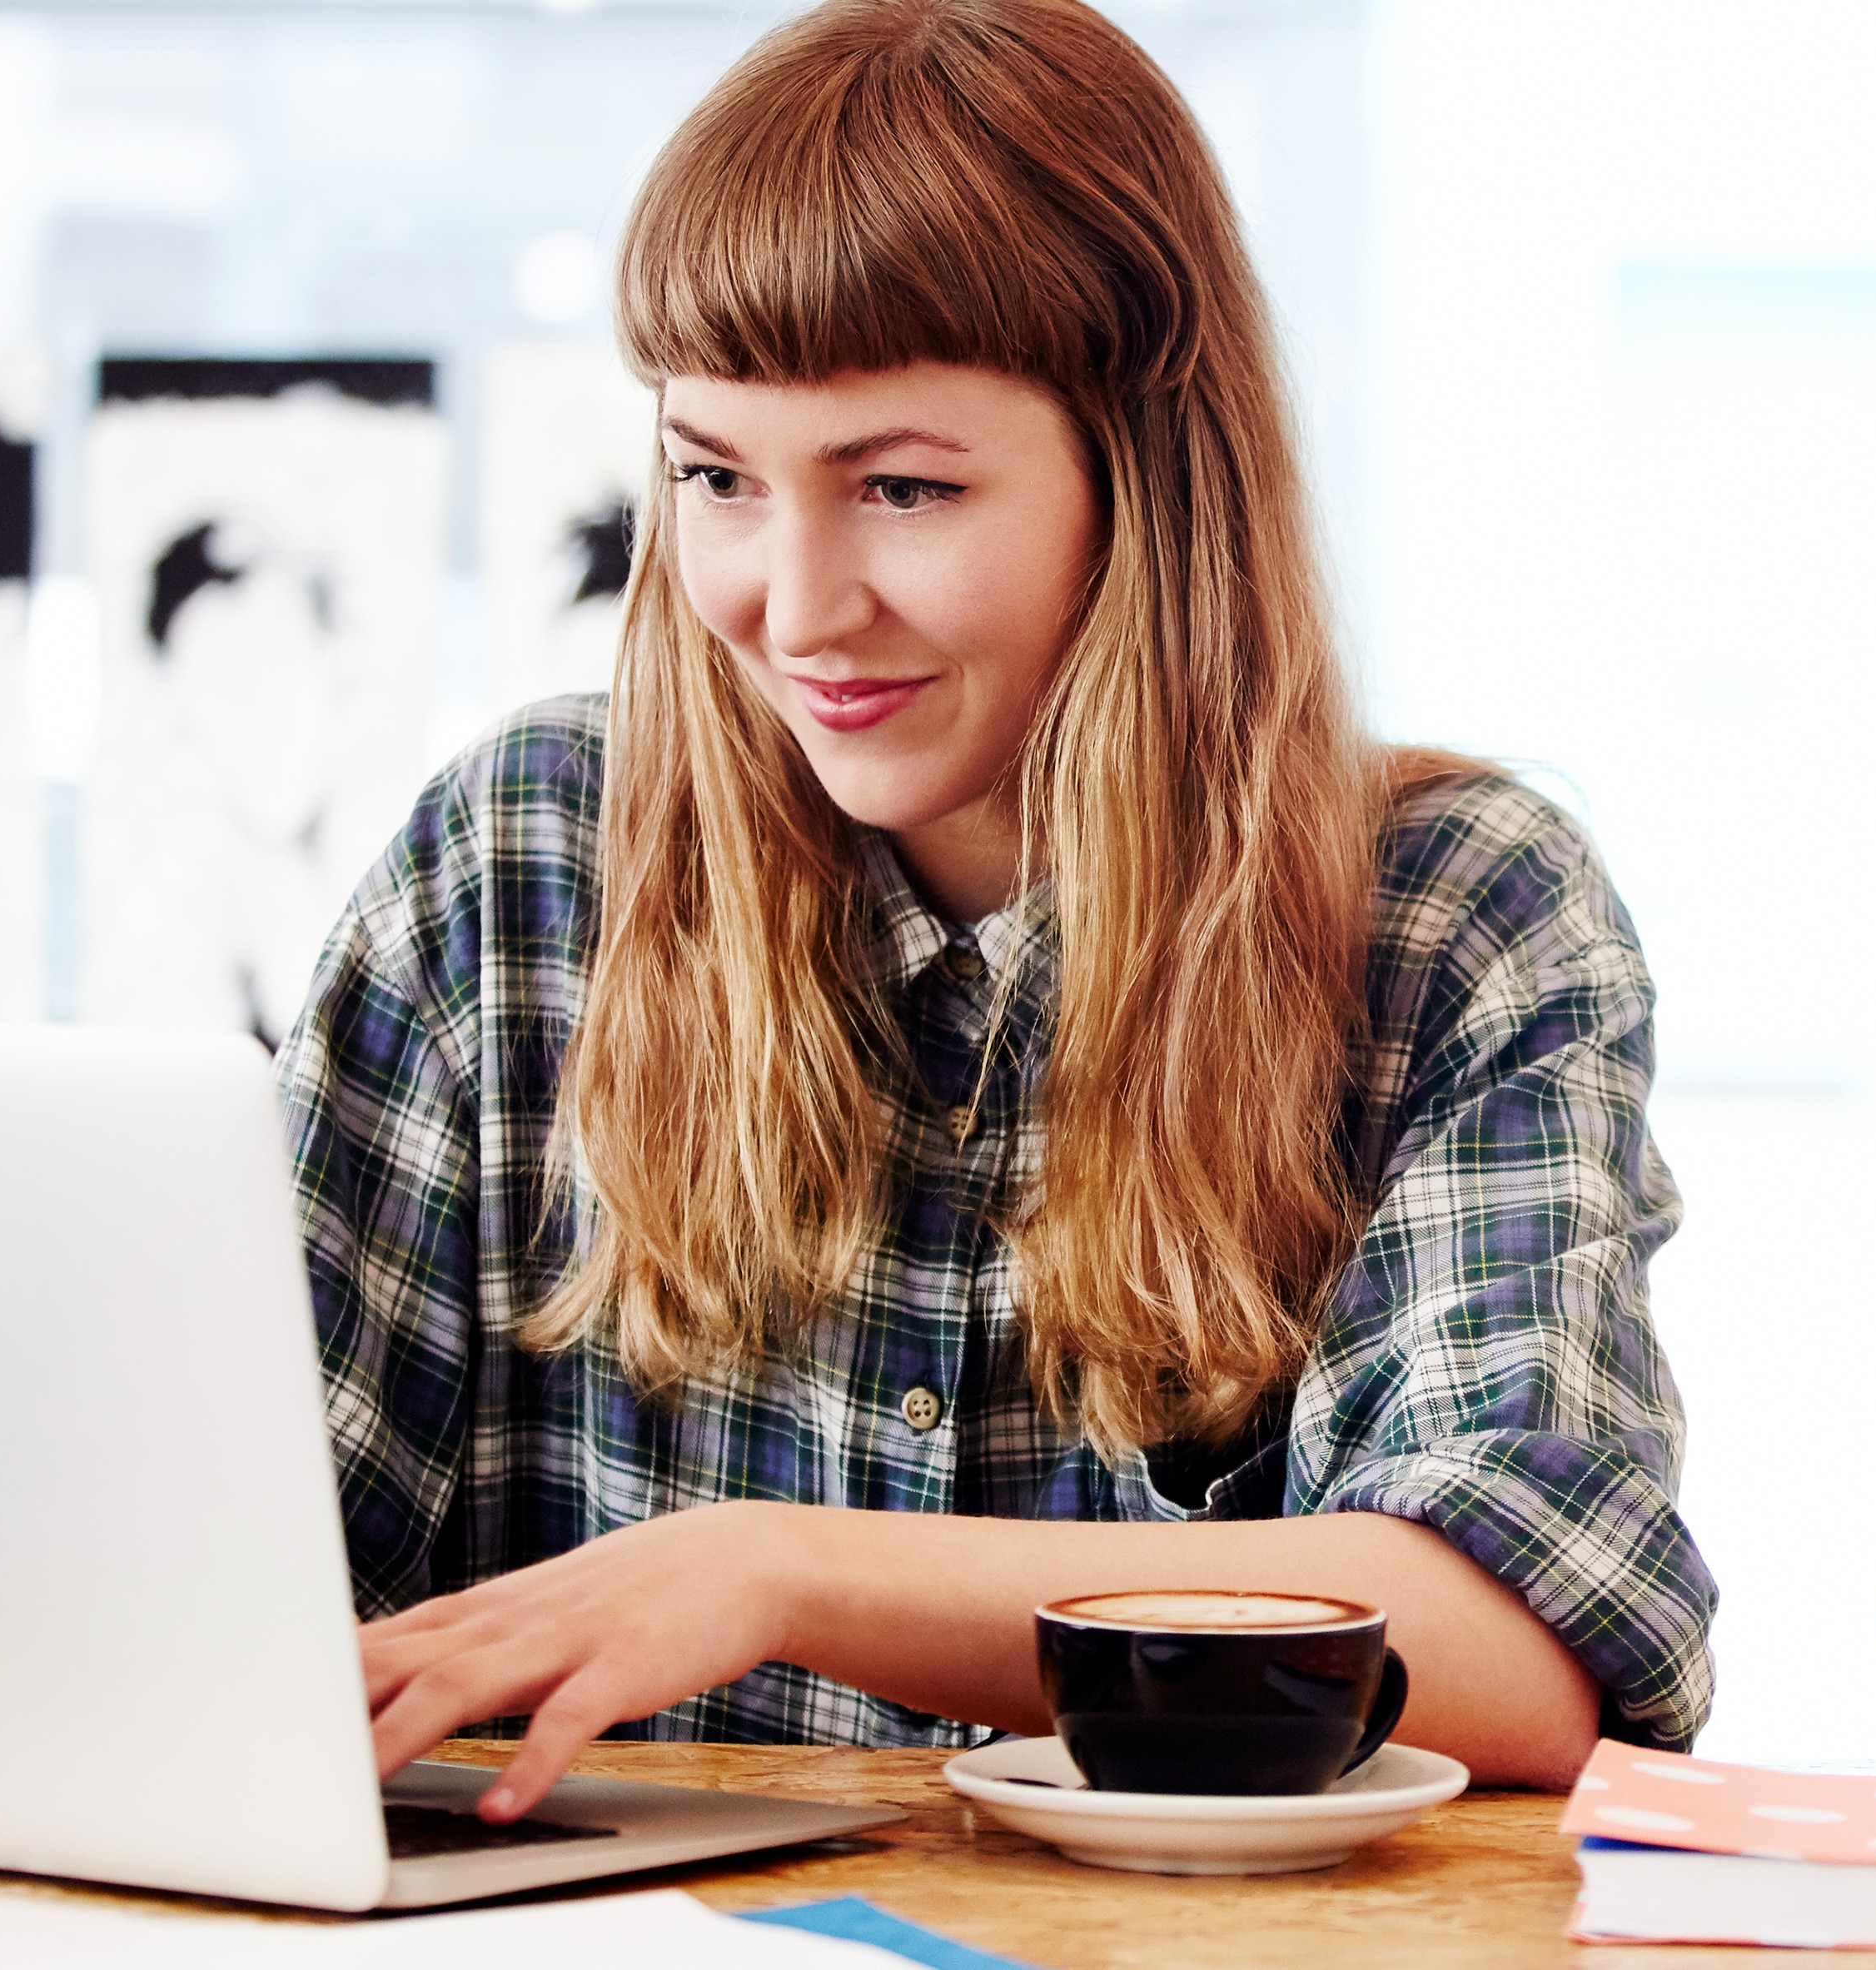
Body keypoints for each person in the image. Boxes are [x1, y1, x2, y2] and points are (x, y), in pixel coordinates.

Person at [281, 0, 1708, 1823]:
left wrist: (780, 1574)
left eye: (902, 488)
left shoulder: (1452, 917)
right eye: (716, 477)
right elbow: (220, 1566)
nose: (794, 610)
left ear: (1148, 479)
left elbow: (1523, 1639)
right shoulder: (516, 865)